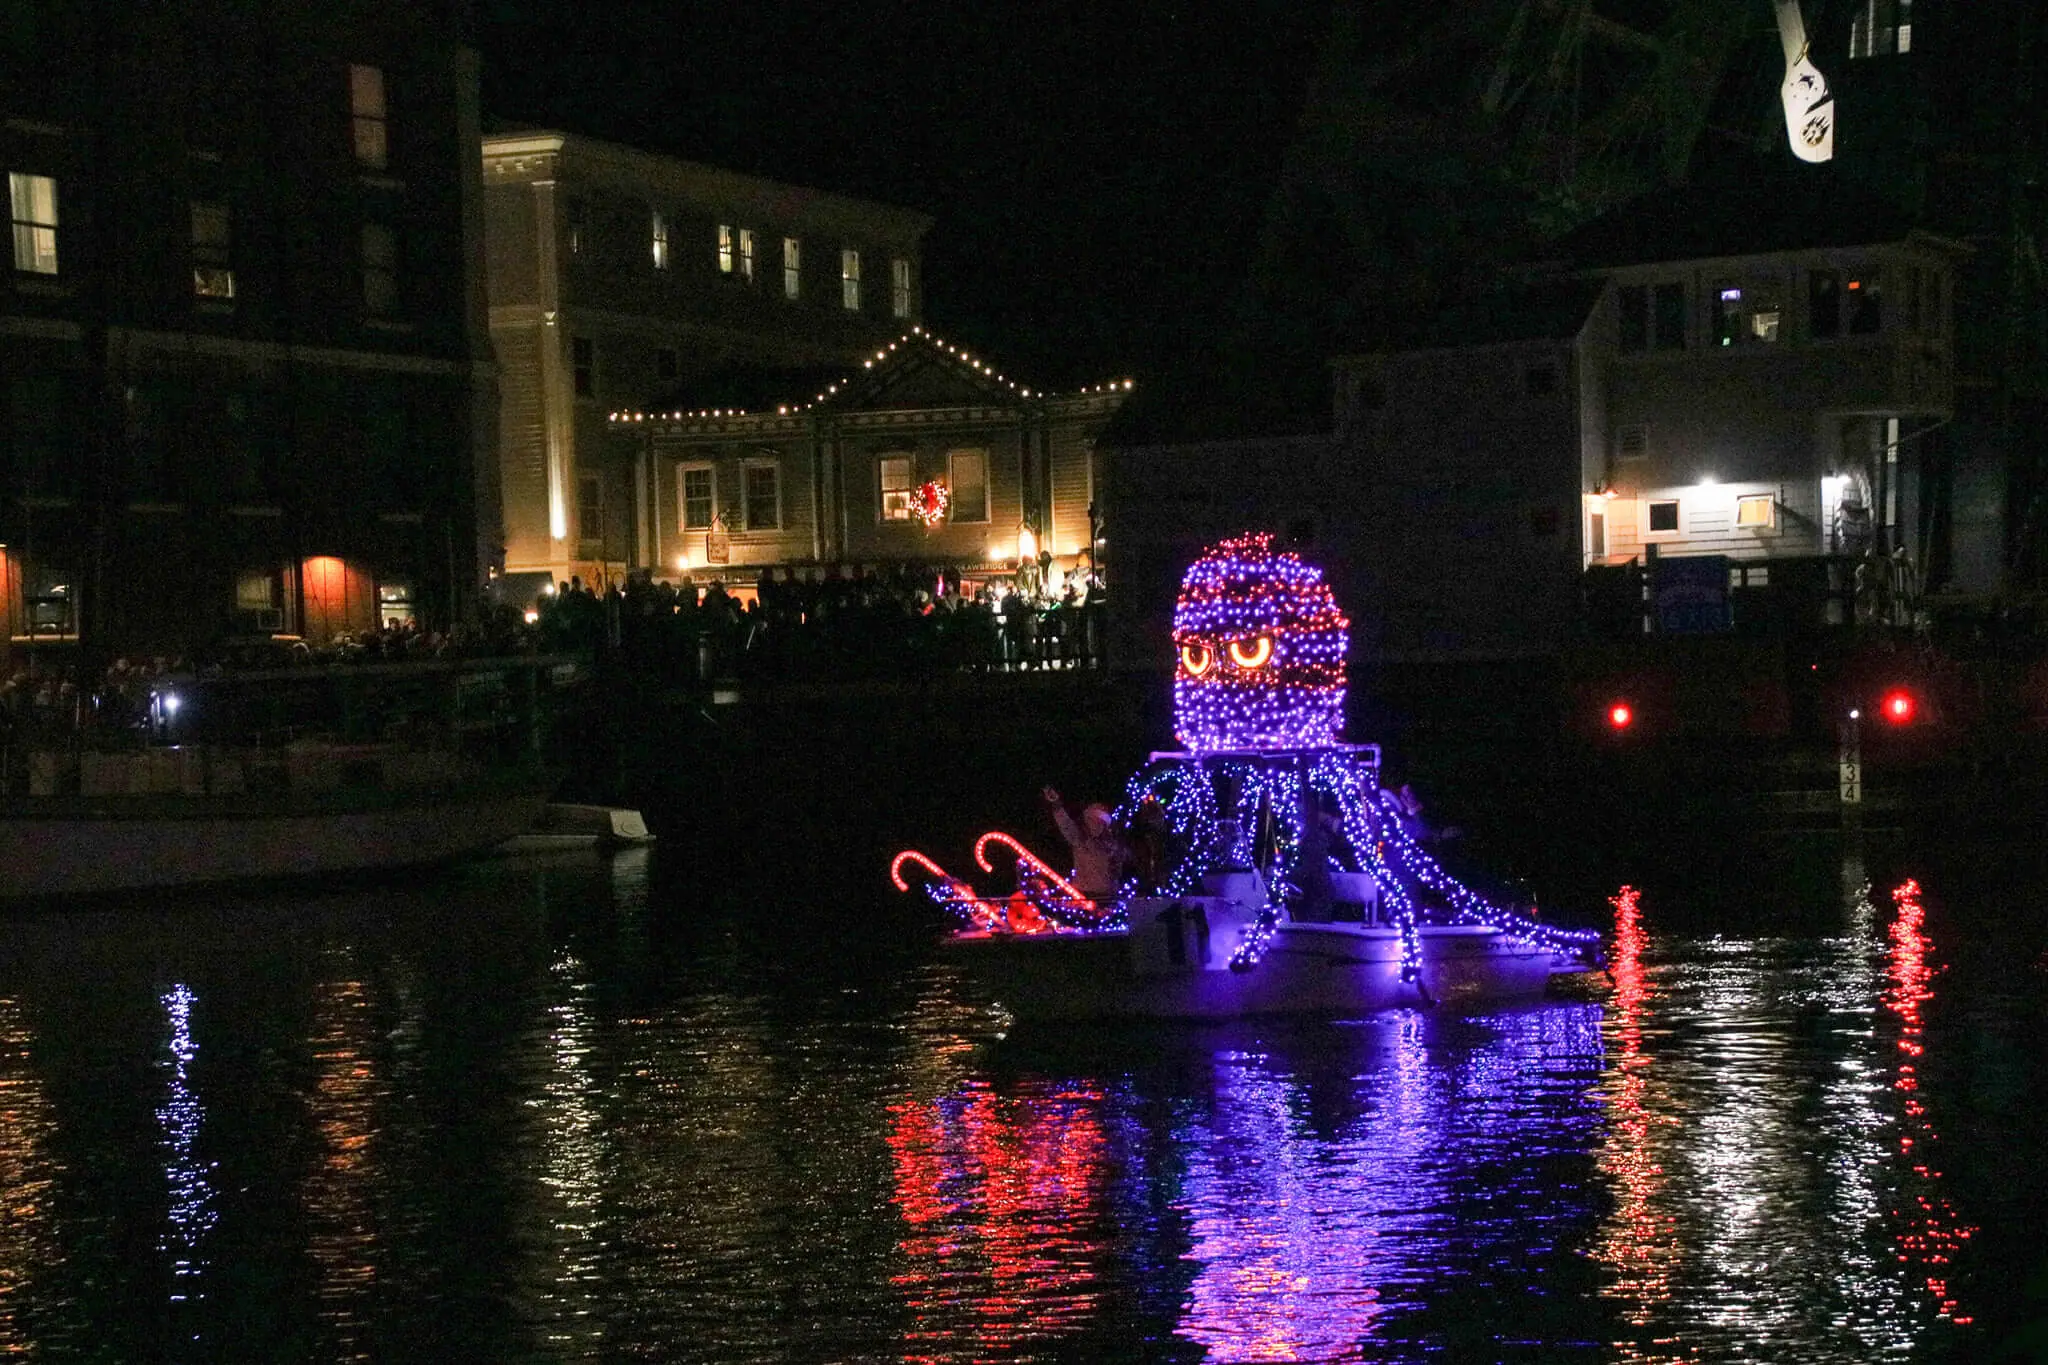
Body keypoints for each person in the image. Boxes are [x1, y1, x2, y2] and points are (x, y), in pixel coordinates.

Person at [1042, 785, 1128, 901]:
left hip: (1108, 896)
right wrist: (1056, 804)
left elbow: (1120, 868)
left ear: (1104, 825)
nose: (1093, 825)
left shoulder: (1113, 844)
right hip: (1083, 895)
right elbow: (1065, 824)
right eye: (1090, 821)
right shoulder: (1079, 840)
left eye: (1097, 822)